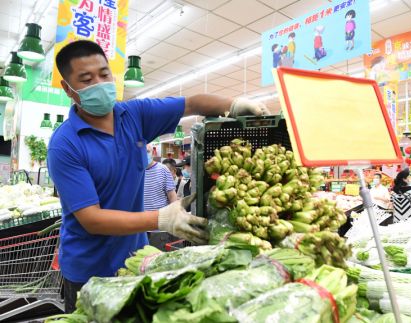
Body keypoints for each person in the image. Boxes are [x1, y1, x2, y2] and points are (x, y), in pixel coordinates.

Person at [46, 40, 269, 313]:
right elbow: (91, 219)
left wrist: (234, 104)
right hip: (88, 269)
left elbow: (193, 103)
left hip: (136, 256)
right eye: (86, 79)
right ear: (68, 89)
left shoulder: (133, 115)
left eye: (104, 74)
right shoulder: (65, 144)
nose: (100, 83)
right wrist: (162, 218)